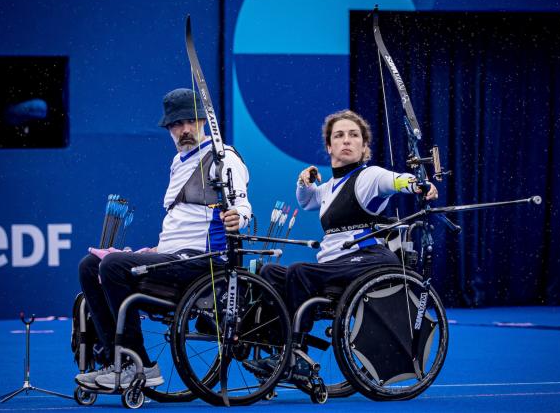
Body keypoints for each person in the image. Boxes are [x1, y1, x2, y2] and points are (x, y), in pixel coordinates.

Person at [75, 88, 251, 389]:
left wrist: (238, 218)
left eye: (190, 121)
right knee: (90, 265)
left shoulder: (224, 159)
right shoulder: (178, 162)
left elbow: (242, 206)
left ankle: (138, 364)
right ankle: (114, 361)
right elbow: (182, 222)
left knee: (114, 266)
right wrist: (155, 249)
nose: (183, 129)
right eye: (175, 124)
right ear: (168, 128)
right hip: (175, 259)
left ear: (203, 122)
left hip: (204, 264)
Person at [254, 109, 437, 364]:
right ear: (329, 147)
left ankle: (293, 351)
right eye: (339, 136)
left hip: (368, 259)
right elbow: (306, 201)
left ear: (364, 147)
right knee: (269, 273)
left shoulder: (369, 176)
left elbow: (394, 181)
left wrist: (417, 184)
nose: (347, 140)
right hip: (336, 265)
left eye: (354, 135)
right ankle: (270, 338)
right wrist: (303, 182)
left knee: (299, 271)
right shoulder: (329, 187)